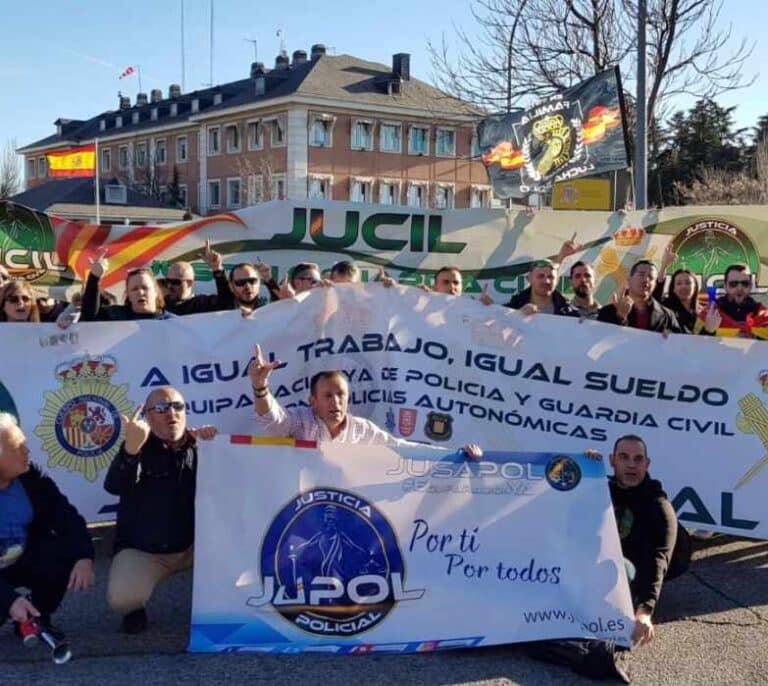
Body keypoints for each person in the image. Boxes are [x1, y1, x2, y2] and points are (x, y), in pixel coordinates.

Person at [104, 387, 217, 634]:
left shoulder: (201, 445)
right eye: (162, 408)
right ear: (147, 415)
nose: (171, 413)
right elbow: (114, 485)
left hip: (195, 546)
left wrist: (217, 446)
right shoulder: (138, 446)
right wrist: (130, 450)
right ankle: (136, 611)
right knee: (123, 598)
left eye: (178, 406)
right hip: (147, 552)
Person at [248, 344, 481, 455]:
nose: (336, 402)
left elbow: (402, 448)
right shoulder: (299, 420)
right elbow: (273, 422)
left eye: (341, 395)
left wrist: (453, 454)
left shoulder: (362, 429)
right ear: (313, 401)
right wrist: (260, 387)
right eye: (328, 396)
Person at [0, 413, 94, 640]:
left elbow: (67, 517)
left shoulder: (31, 478)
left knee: (59, 552)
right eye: (18, 447)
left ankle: (37, 617)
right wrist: (8, 600)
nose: (26, 451)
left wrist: (83, 556)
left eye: (25, 444)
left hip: (20, 557)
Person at [609, 434, 690, 646]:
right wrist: (584, 464)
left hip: (652, 559)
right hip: (621, 551)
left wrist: (645, 610)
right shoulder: (603, 488)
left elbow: (659, 557)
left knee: (627, 572)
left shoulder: (658, 504)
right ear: (612, 461)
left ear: (647, 464)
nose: (631, 465)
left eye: (638, 459)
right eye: (624, 457)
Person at [79, 252, 172, 322]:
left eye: (145, 288)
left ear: (155, 291)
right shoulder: (117, 316)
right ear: (129, 295)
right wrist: (94, 277)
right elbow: (89, 316)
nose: (140, 292)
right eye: (134, 289)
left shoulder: (171, 322)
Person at [598, 260, 683, 333]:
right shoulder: (608, 312)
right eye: (641, 275)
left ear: (655, 285)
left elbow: (680, 345)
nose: (646, 280)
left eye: (651, 277)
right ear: (629, 280)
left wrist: (672, 337)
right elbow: (599, 340)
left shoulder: (667, 316)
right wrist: (620, 317)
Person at [163, 240, 235, 316]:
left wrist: (217, 269)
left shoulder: (203, 303)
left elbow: (228, 303)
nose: (169, 286)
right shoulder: (159, 304)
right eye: (167, 281)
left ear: (189, 283)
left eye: (175, 282)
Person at [700, 263, 768, 339]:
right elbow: (693, 346)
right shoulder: (708, 314)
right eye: (733, 284)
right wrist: (707, 331)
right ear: (725, 286)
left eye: (745, 283)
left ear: (750, 286)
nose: (739, 288)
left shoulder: (764, 316)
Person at [652, 246, 699, 333]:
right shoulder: (666, 309)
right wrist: (664, 266)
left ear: (695, 286)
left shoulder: (701, 313)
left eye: (688, 283)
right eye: (679, 283)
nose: (683, 286)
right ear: (673, 288)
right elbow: (655, 295)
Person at [505, 260, 576, 316]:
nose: (546, 281)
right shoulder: (511, 308)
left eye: (550, 277)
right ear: (529, 278)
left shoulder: (570, 313)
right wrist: (517, 315)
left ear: (557, 281)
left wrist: (585, 323)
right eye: (541, 276)